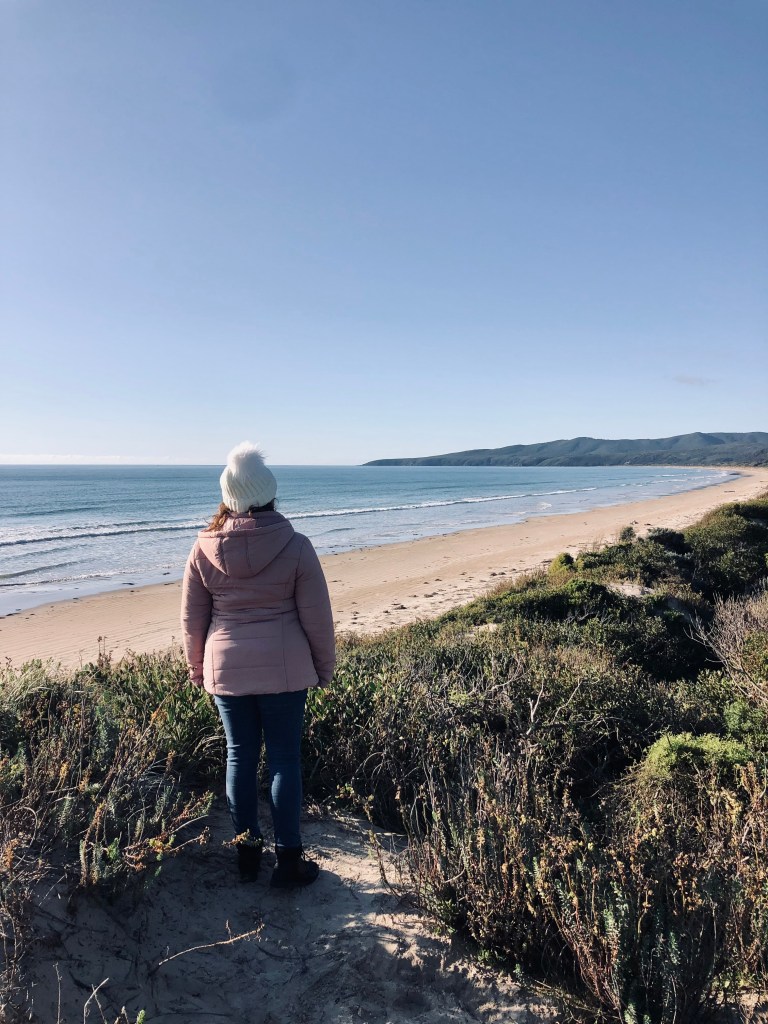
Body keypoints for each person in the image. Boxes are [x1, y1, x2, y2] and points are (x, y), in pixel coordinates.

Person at [181, 442, 335, 888]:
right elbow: (317, 617)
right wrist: (323, 667)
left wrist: (198, 670)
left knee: (240, 757)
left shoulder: (202, 549)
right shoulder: (296, 545)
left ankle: (247, 855)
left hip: (225, 671)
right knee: (285, 759)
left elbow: (193, 622)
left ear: (227, 497)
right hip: (286, 670)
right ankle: (288, 861)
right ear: (270, 494)